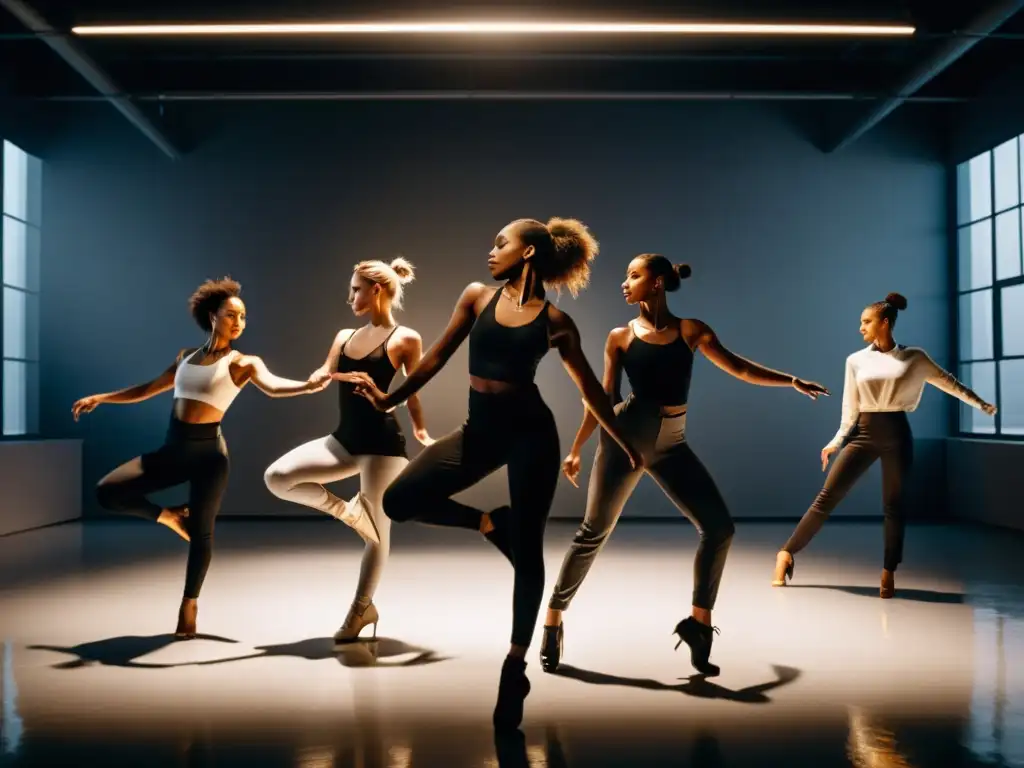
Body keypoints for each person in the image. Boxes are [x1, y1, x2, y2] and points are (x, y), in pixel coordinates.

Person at [338, 217, 642, 729]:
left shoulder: (556, 323)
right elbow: (435, 357)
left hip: (531, 436)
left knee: (529, 552)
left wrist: (624, 444)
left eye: (502, 243)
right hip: (479, 433)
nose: (491, 250)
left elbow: (592, 389)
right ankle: (487, 523)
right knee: (397, 501)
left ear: (527, 253)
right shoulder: (477, 296)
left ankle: (514, 666)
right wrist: (389, 398)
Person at [540, 254, 829, 676]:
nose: (625, 282)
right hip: (625, 442)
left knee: (719, 529)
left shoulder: (691, 330)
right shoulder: (619, 337)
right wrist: (577, 447)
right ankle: (551, 623)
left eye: (634, 276)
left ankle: (699, 625)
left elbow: (740, 368)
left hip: (672, 445)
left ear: (656, 283)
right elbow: (601, 399)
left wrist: (789, 380)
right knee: (593, 532)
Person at [72, 277, 330, 639]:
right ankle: (170, 516)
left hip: (210, 456)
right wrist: (102, 397)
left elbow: (273, 387)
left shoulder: (244, 363)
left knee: (202, 534)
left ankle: (189, 604)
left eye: (243, 317)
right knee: (107, 492)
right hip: (173, 450)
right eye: (231, 315)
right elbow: (148, 389)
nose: (238, 323)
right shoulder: (185, 358)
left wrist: (307, 384)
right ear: (213, 316)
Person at [772, 292, 996, 598]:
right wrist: (836, 442)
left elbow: (950, 384)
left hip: (897, 435)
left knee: (894, 506)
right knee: (827, 496)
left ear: (885, 323)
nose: (860, 327)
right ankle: (786, 553)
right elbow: (849, 408)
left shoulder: (914, 357)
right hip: (863, 432)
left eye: (866, 321)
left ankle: (888, 571)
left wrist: (982, 405)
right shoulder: (855, 360)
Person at [264, 258, 432, 643]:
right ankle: (346, 511)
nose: (350, 296)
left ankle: (361, 609)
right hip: (343, 441)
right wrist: (321, 376)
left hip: (383, 449)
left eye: (356, 289)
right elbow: (325, 372)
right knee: (277, 477)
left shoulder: (405, 338)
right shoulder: (343, 336)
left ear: (377, 290)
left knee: (377, 535)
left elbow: (412, 390)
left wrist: (420, 429)